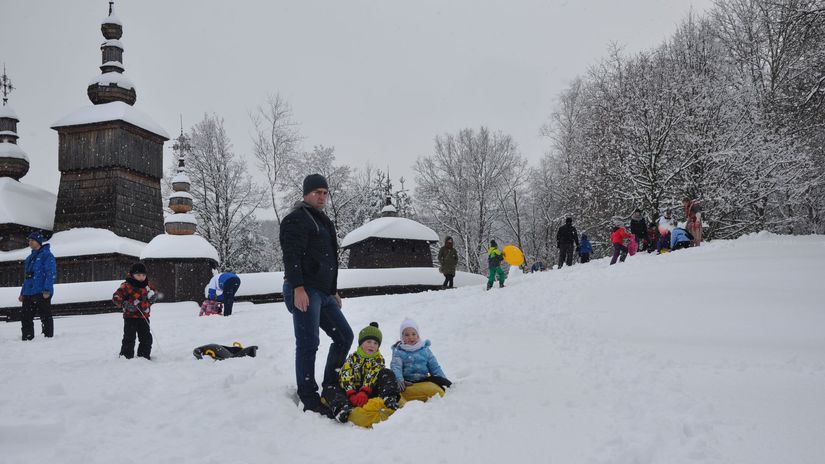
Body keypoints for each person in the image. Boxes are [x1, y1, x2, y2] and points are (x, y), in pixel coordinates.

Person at [280, 173, 354, 417]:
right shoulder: (296, 219)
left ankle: (330, 384)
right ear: (306, 194)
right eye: (317, 193)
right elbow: (291, 256)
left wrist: (333, 291)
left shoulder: (323, 221)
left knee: (344, 336)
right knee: (308, 343)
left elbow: (328, 260)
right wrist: (298, 288)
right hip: (304, 290)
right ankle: (309, 397)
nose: (321, 197)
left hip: (323, 293)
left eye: (324, 193)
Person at [322, 322, 400, 427]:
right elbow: (346, 374)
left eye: (375, 343)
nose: (372, 345)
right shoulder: (353, 358)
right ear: (361, 343)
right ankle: (342, 408)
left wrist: (365, 391)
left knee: (387, 373)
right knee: (330, 387)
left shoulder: (378, 359)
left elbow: (373, 374)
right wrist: (351, 392)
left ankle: (389, 398)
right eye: (369, 341)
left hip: (371, 391)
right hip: (351, 392)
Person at [390, 318, 450, 404]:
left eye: (413, 334)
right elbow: (396, 367)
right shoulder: (399, 352)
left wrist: (442, 379)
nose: (411, 337)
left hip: (423, 379)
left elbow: (435, 367)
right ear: (402, 337)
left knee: (439, 379)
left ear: (418, 335)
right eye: (407, 335)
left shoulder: (424, 350)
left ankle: (452, 389)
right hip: (408, 382)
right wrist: (399, 379)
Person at [112, 262, 158, 359]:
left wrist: (153, 297)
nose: (141, 277)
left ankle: (144, 356)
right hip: (130, 317)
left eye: (143, 275)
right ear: (132, 275)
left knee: (146, 338)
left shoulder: (147, 285)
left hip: (144, 316)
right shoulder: (126, 286)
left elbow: (153, 293)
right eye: (138, 275)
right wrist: (125, 304)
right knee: (129, 338)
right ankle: (126, 357)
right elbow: (116, 297)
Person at [18, 231, 56, 341]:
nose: (30, 242)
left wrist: (47, 290)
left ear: (38, 242)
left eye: (32, 240)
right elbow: (27, 277)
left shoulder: (47, 255)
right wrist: (22, 293)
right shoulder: (29, 258)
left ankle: (48, 337)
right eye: (29, 240)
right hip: (29, 292)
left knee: (45, 316)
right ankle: (27, 337)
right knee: (25, 317)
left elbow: (50, 273)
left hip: (42, 291)